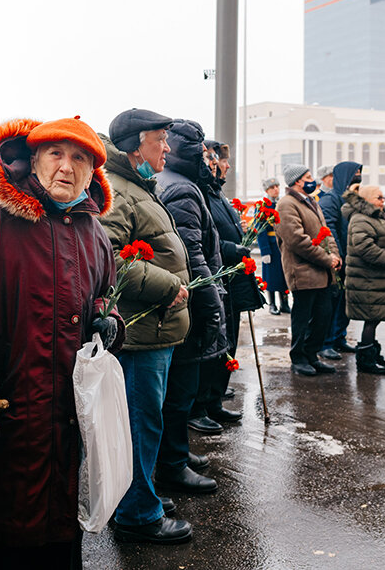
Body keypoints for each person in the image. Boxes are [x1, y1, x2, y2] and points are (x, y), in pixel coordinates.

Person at [0, 116, 121, 569]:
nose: (66, 167)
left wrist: (109, 320)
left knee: (58, 532)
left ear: (93, 172)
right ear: (33, 159)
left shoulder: (93, 231)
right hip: (2, 412)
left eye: (80, 158)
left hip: (65, 421)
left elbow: (105, 295)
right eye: (55, 154)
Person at [98, 108, 193, 544]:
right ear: (136, 144)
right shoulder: (118, 192)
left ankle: (143, 493)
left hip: (155, 328)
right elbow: (109, 260)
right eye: (160, 140)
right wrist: (167, 284)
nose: (167, 149)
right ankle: (137, 511)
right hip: (140, 332)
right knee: (141, 424)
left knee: (146, 421)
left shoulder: (138, 188)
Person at [155, 119, 224, 495]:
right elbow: (192, 255)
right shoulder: (181, 188)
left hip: (182, 300)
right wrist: (211, 301)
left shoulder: (174, 183)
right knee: (181, 390)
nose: (210, 159)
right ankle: (173, 463)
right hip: (189, 301)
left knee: (178, 390)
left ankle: (176, 454)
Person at [189, 140, 261, 432]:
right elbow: (208, 239)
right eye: (221, 160)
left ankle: (214, 399)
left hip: (231, 278)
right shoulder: (201, 194)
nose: (227, 166)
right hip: (218, 275)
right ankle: (200, 406)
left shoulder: (217, 194)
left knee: (227, 343)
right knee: (212, 346)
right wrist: (233, 249)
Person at [276, 164, 341, 376]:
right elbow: (296, 240)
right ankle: (299, 358)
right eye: (309, 176)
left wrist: (335, 255)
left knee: (323, 316)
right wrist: (326, 259)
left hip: (322, 271)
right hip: (303, 271)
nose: (314, 180)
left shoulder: (311, 201)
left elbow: (326, 232)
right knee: (303, 318)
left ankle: (312, 355)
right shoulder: (286, 204)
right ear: (297, 181)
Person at [343, 185, 385, 374]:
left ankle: (371, 354)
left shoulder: (375, 217)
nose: (382, 201)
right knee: (371, 319)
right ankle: (366, 361)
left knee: (374, 318)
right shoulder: (361, 219)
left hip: (373, 280)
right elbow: (364, 247)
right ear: (367, 199)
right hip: (367, 281)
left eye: (383, 197)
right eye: (379, 197)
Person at [318, 161, 363, 359]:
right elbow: (330, 230)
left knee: (345, 303)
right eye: (356, 173)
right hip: (340, 259)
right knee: (332, 303)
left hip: (352, 259)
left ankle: (339, 338)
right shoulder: (331, 200)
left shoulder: (351, 199)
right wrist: (337, 255)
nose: (359, 176)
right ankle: (326, 342)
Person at [258, 177, 289, 315]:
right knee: (271, 277)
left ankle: (284, 303)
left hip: (282, 245)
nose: (275, 189)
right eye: (272, 187)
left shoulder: (282, 203)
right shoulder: (263, 206)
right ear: (267, 190)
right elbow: (260, 229)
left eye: (277, 186)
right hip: (271, 246)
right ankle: (272, 304)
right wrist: (265, 251)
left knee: (284, 276)